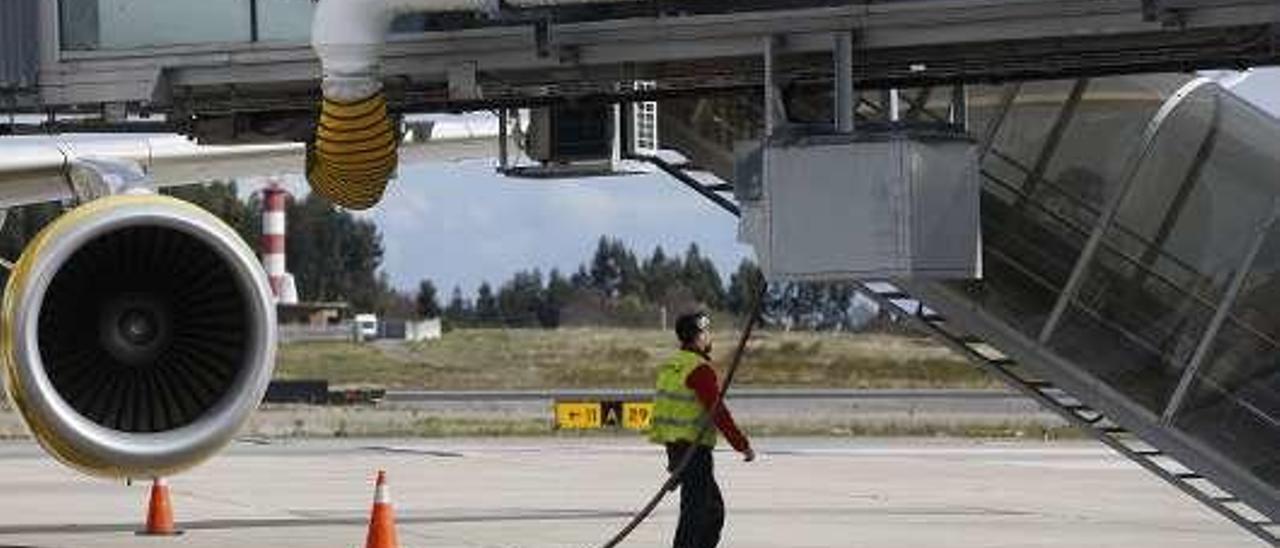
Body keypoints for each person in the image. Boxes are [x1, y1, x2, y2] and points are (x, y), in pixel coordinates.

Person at [648, 311, 755, 548]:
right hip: (695, 453)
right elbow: (718, 412)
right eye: (706, 333)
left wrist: (673, 458)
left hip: (677, 448)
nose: (710, 337)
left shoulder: (672, 365)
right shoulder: (699, 369)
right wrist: (742, 445)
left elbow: (668, 412)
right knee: (698, 514)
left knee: (708, 511)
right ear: (698, 337)